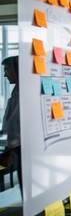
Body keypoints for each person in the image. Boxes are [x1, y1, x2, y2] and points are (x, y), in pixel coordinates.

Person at [0, 56, 21, 192]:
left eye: (7, 70)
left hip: (19, 151)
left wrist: (7, 151)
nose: (5, 74)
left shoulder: (21, 96)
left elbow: (15, 128)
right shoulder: (17, 93)